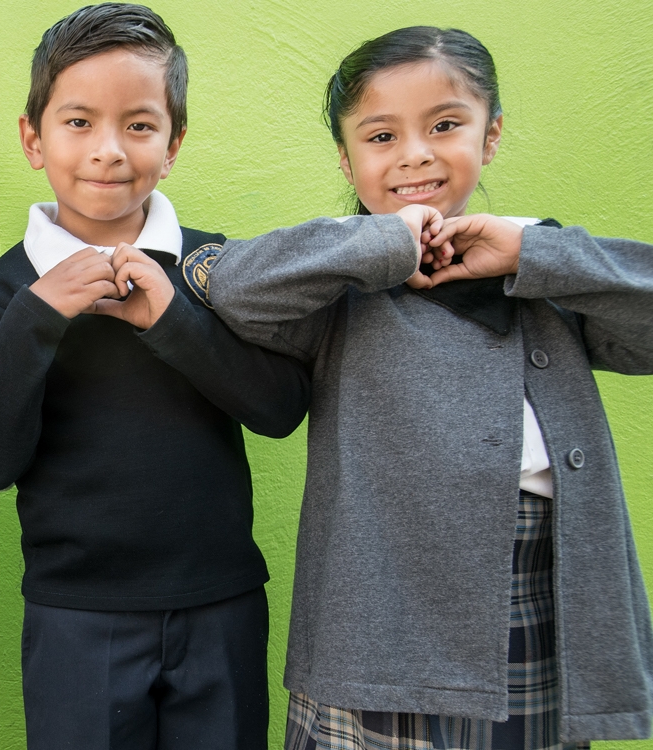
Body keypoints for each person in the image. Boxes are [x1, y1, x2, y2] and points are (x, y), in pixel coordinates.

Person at [205, 26, 653, 749]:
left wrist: (536, 252)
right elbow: (233, 287)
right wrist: (389, 243)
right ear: (348, 163)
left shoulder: (543, 268)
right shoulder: (343, 284)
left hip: (544, 585)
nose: (415, 153)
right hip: (387, 614)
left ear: (492, 133)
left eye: (445, 125)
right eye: (380, 137)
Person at [0, 5, 311, 749]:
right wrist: (38, 314)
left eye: (139, 126)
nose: (108, 151)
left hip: (221, 603)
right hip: (76, 615)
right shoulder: (3, 291)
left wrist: (173, 317)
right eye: (78, 122)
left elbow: (279, 408)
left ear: (174, 144)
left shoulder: (215, 267)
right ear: (32, 138)